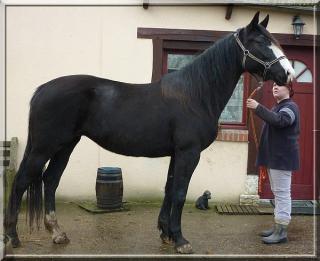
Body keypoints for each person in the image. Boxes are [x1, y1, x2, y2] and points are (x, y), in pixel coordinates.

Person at [247, 82, 300, 244]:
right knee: (278, 193)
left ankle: (281, 232)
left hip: (281, 159)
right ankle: (277, 226)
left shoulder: (290, 107)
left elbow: (280, 121)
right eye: (274, 85)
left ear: (290, 90)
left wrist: (258, 107)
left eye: (281, 85)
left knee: (283, 194)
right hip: (275, 158)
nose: (275, 87)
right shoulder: (279, 106)